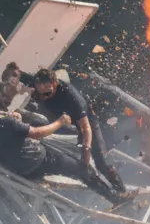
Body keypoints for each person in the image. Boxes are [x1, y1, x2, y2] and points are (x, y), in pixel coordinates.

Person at [0, 93, 129, 207]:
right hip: (39, 160)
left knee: (65, 155)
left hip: (21, 170)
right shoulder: (7, 123)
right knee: (82, 169)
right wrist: (60, 122)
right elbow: (36, 133)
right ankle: (116, 198)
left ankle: (103, 187)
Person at [24, 67, 129, 196]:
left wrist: (87, 149)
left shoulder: (71, 97)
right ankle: (104, 190)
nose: (44, 97)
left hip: (85, 123)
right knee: (78, 164)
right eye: (40, 94)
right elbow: (15, 74)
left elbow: (85, 127)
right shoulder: (35, 83)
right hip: (62, 121)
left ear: (55, 83)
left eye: (47, 93)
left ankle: (121, 191)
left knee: (101, 160)